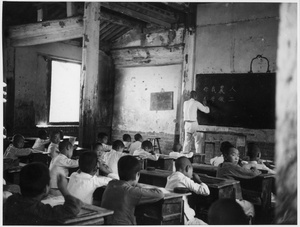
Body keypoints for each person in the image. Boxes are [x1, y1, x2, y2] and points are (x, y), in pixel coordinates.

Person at [3, 162, 83, 225]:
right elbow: (73, 208)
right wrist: (63, 189)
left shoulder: (11, 200)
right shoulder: (40, 211)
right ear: (46, 189)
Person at [101, 155, 164, 225]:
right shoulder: (130, 191)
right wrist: (137, 185)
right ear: (137, 174)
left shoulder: (111, 184)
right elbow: (160, 194)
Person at [217, 145, 260, 218]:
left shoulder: (220, 165)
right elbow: (253, 173)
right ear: (225, 156)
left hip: (222, 197)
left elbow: (236, 169)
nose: (237, 158)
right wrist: (254, 166)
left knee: (253, 198)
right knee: (252, 205)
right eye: (233, 155)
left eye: (238, 155)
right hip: (231, 199)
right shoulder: (231, 166)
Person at [165, 157, 210, 225]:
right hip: (185, 218)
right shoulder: (184, 179)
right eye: (192, 170)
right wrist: (198, 180)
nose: (192, 173)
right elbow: (206, 191)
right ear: (187, 168)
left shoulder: (170, 177)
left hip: (172, 211)